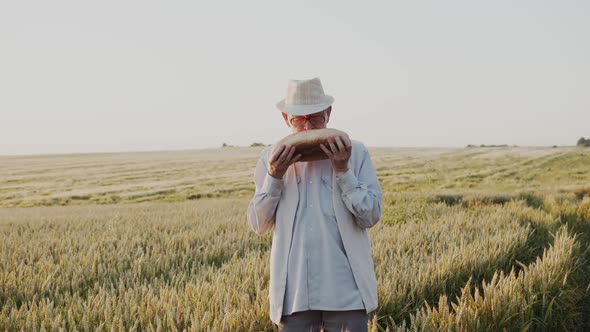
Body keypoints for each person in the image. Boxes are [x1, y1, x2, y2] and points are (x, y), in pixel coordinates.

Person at [247, 77, 382, 332]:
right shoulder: (269, 157)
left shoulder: (357, 152)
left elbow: (371, 216)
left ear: (328, 113)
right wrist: (275, 175)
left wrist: (344, 171)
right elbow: (258, 224)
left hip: (347, 292)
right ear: (286, 119)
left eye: (315, 117)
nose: (308, 126)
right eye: (299, 119)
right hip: (294, 295)